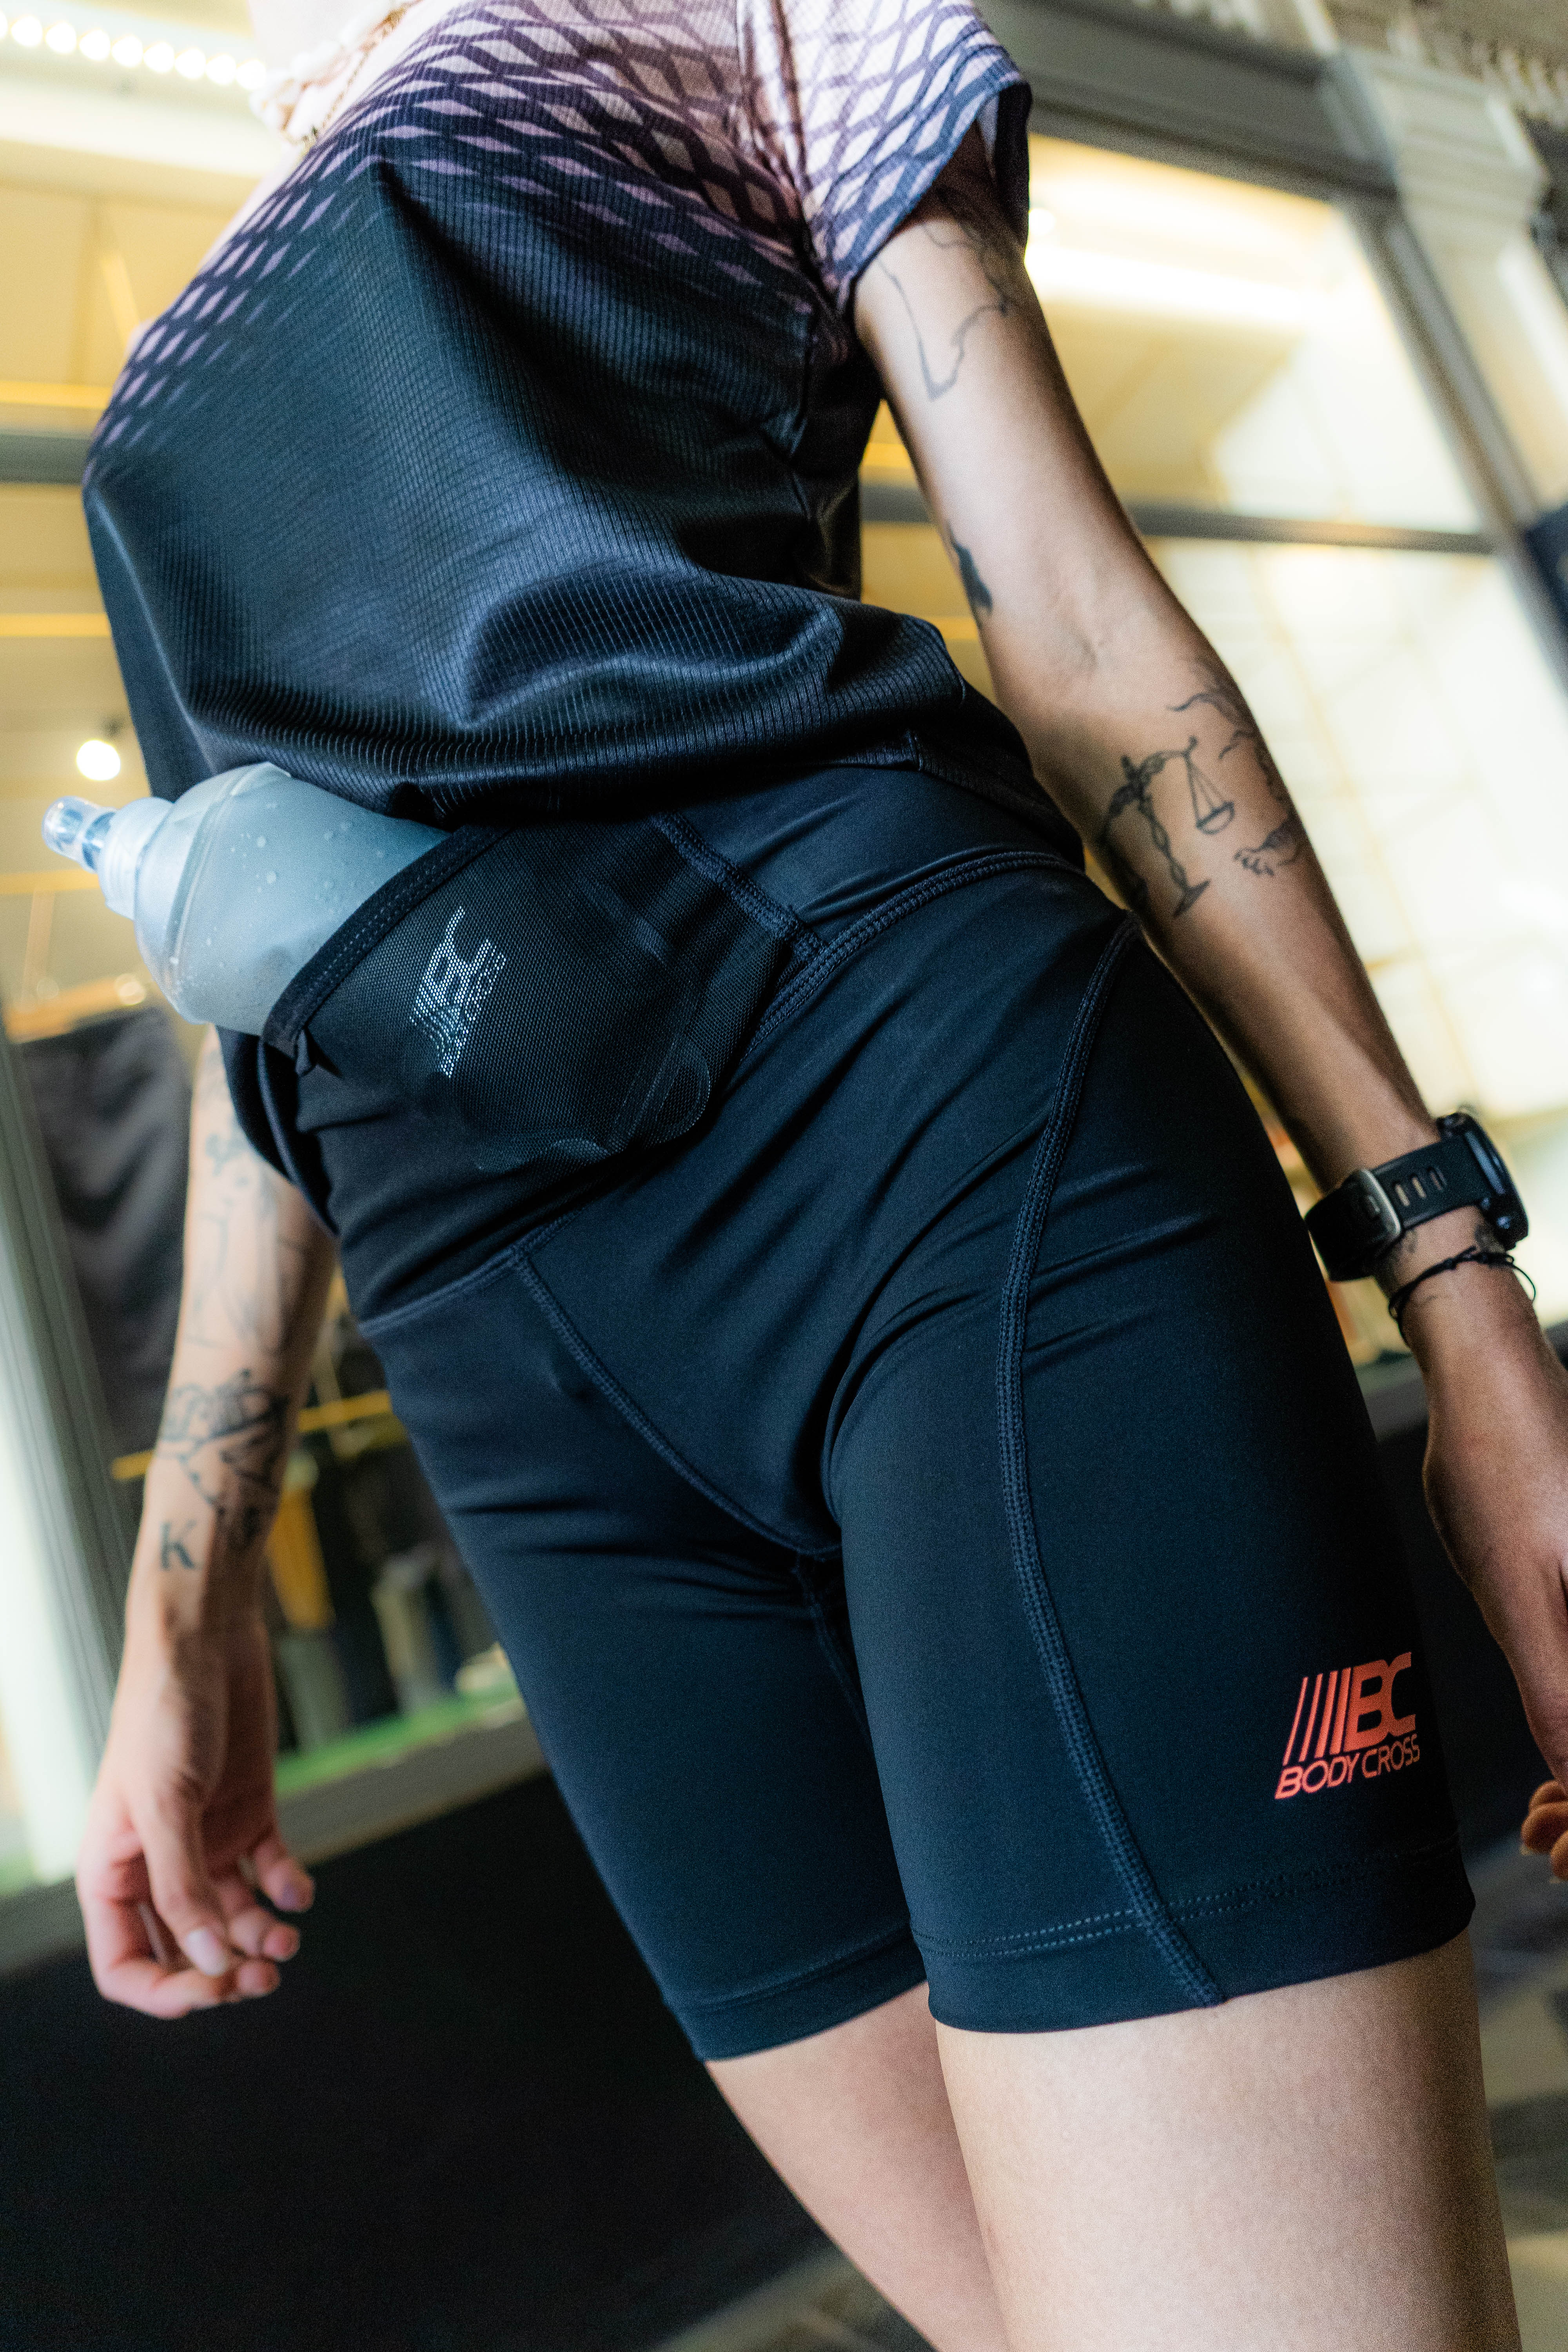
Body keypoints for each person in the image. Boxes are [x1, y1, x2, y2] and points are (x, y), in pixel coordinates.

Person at [70, 0, 1568, 2340]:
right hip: (524, 1404)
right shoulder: (236, 220)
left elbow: (1072, 618)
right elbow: (267, 971)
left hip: (921, 1149)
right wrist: (187, 1595)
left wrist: (1461, 1303)